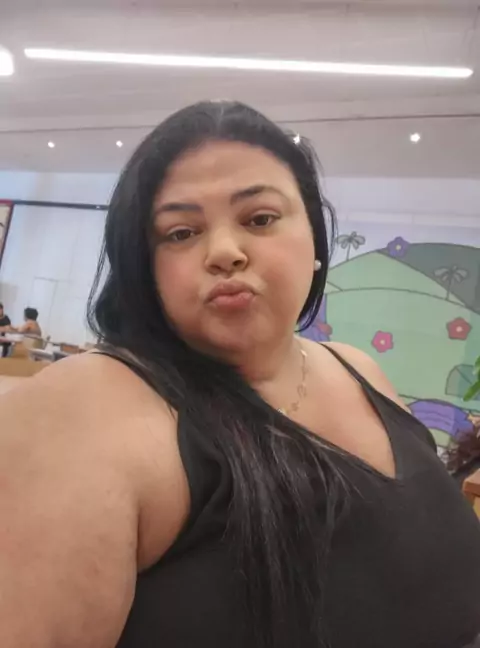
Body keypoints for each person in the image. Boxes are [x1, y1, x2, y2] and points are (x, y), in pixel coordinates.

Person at [0, 101, 479, 648]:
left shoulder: (358, 367)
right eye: (181, 232)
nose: (224, 252)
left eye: (260, 219)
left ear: (315, 238)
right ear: (144, 267)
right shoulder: (86, 408)